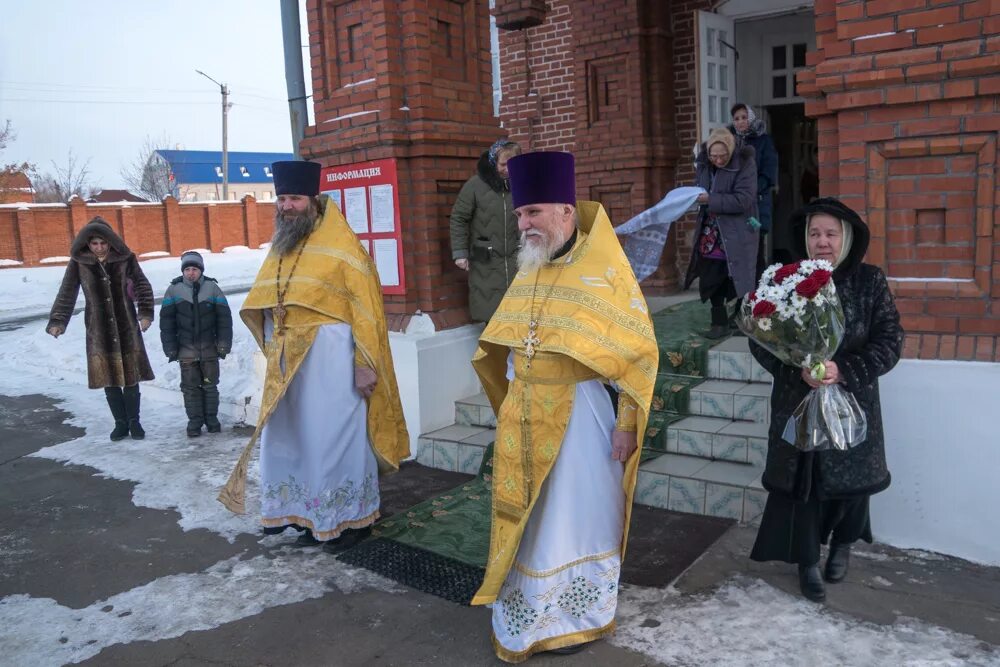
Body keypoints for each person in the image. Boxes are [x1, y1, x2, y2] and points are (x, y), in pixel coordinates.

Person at [469, 151, 658, 662]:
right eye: (519, 215)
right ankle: (528, 613)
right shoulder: (531, 265)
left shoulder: (604, 273)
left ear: (566, 212)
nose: (523, 223)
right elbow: (511, 341)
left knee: (575, 517)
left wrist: (626, 425)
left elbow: (635, 356)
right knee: (529, 521)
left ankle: (576, 615)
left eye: (533, 213)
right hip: (526, 412)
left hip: (581, 415)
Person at [218, 160, 409, 554]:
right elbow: (267, 298)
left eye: (294, 198)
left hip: (332, 363)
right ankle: (304, 513)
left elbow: (367, 311)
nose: (286, 206)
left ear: (313, 200)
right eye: (282, 198)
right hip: (290, 362)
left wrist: (363, 363)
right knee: (294, 437)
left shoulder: (342, 247)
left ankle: (350, 518)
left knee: (335, 438)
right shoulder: (282, 246)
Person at [748, 197, 904, 603]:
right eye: (814, 233)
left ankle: (842, 545)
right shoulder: (785, 280)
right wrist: (796, 366)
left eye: (831, 234)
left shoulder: (870, 282)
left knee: (853, 486)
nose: (822, 242)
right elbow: (762, 340)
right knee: (806, 485)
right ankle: (807, 561)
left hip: (853, 402)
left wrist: (843, 370)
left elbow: (890, 341)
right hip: (799, 402)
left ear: (846, 238)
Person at [46, 217, 154, 441]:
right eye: (94, 243)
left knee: (131, 376)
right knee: (109, 377)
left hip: (126, 326)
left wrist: (145, 314)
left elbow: (143, 286)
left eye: (103, 243)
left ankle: (135, 421)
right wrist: (58, 321)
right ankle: (120, 423)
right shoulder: (79, 263)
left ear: (110, 242)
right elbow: (67, 292)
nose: (99, 247)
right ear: (87, 244)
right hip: (98, 329)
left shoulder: (126, 259)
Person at [684, 126, 759, 339]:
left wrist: (711, 200)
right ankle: (719, 323)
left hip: (738, 230)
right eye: (714, 156)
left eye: (723, 156)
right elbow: (699, 188)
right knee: (710, 275)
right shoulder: (704, 165)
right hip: (711, 232)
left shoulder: (745, 163)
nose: (718, 160)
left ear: (731, 150)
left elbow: (744, 199)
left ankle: (740, 321)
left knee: (738, 277)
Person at [159, 251, 233, 438]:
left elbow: (224, 319)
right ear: (183, 271)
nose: (191, 273)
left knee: (210, 385)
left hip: (209, 350)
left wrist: (223, 344)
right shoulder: (174, 290)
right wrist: (170, 347)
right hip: (186, 351)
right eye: (188, 269)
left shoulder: (212, 288)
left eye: (194, 269)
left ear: (201, 270)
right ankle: (195, 421)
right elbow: (166, 323)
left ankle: (211, 419)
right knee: (190, 388)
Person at [449, 139, 522, 322]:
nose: (508, 169)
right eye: (503, 164)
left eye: (513, 164)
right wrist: (460, 253)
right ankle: (495, 348)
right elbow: (459, 218)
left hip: (517, 256)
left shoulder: (523, 183)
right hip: (486, 260)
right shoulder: (475, 186)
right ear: (492, 163)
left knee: (520, 310)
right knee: (492, 312)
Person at [728, 103, 778, 275]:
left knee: (754, 248)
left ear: (750, 118)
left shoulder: (763, 140)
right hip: (735, 203)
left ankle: (758, 292)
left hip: (756, 203)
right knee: (737, 250)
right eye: (736, 119)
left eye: (744, 117)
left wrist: (751, 190)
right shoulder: (730, 141)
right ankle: (742, 295)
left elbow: (769, 173)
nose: (740, 122)